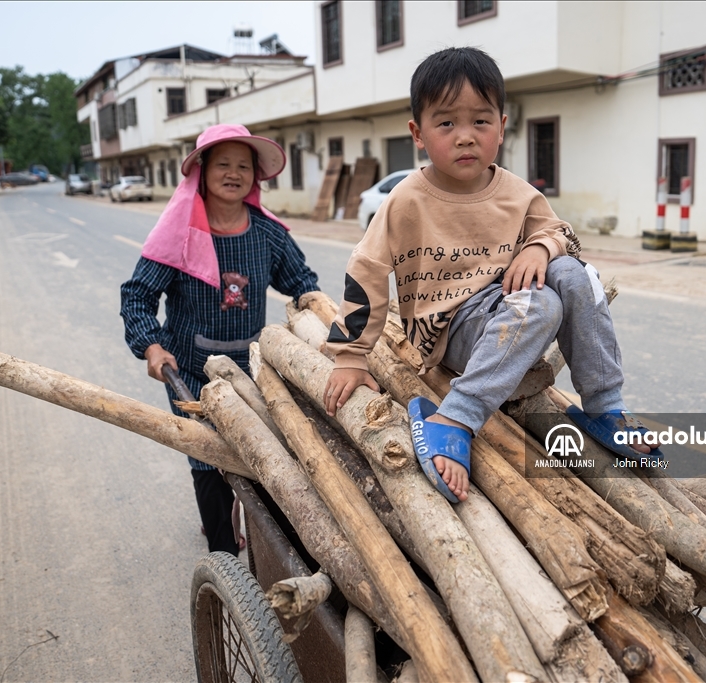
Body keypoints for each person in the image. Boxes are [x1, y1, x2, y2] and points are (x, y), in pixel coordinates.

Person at [323, 47, 656, 504]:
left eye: (480, 121)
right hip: (446, 328)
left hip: (507, 310)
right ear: (418, 134)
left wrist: (539, 246)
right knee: (543, 303)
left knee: (578, 274)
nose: (465, 137)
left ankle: (604, 407)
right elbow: (367, 270)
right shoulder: (406, 200)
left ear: (502, 126)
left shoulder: (517, 192)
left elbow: (560, 232)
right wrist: (350, 356)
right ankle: (454, 417)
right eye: (446, 124)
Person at [121, 124, 320, 554]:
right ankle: (224, 555)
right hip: (192, 373)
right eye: (223, 164)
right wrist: (151, 346)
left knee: (264, 458)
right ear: (202, 172)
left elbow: (301, 282)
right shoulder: (179, 235)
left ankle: (273, 552)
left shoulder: (269, 235)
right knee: (208, 460)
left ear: (255, 177)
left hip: (254, 371)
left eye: (243, 166)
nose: (234, 173)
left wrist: (317, 310)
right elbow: (137, 295)